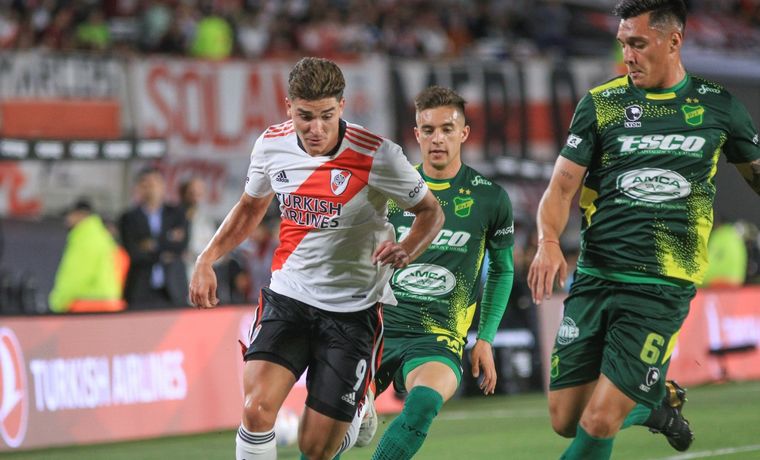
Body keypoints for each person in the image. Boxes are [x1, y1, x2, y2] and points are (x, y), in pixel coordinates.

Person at [527, 1, 760, 459]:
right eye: (622, 44)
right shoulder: (601, 105)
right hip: (595, 277)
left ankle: (639, 396)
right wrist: (548, 242)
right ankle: (655, 404)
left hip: (660, 287)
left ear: (674, 41)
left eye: (637, 44)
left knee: (599, 421)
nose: (627, 55)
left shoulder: (718, 106)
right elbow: (560, 190)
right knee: (565, 419)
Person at [189, 57, 443, 460]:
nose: (316, 128)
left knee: (315, 448)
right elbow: (250, 208)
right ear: (289, 106)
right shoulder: (272, 144)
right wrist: (207, 258)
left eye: (326, 115)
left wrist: (407, 248)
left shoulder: (378, 154)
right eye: (305, 116)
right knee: (255, 410)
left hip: (352, 310)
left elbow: (431, 212)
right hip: (289, 297)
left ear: (342, 107)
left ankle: (359, 407)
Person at [348, 85, 515, 459]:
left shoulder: (490, 198)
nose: (437, 138)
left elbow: (503, 271)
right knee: (336, 419)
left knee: (423, 404)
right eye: (428, 130)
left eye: (447, 128)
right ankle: (358, 406)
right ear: (416, 134)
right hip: (376, 327)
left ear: (464, 133)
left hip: (437, 337)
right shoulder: (389, 192)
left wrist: (485, 338)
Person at [119, 167, 189, 309]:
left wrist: (152, 245)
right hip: (139, 289)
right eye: (146, 184)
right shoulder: (128, 218)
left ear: (163, 186)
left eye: (154, 183)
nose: (151, 188)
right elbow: (135, 253)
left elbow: (180, 247)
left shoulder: (177, 214)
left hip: (173, 289)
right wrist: (166, 247)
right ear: (139, 188)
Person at [48, 199, 124, 313]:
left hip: (88, 305)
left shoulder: (85, 238)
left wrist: (56, 303)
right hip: (107, 303)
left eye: (70, 215)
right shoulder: (101, 236)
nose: (67, 220)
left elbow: (75, 276)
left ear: (81, 215)